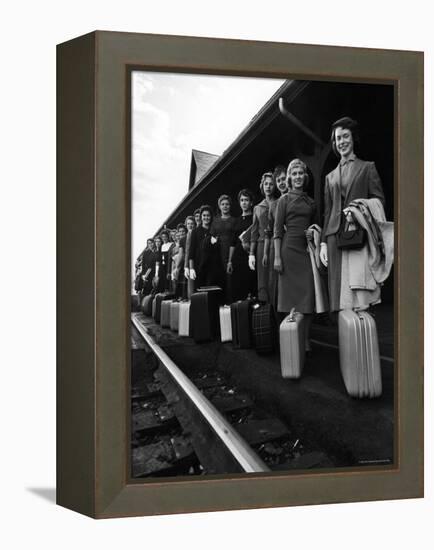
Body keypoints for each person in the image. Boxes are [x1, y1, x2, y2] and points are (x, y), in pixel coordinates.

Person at [319, 117, 385, 311]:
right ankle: (346, 337)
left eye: (345, 136)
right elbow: (327, 212)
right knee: (339, 297)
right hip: (333, 239)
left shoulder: (367, 168)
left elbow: (379, 201)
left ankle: (362, 336)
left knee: (360, 292)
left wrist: (359, 209)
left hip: (358, 235)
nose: (342, 142)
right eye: (338, 138)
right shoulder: (329, 177)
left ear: (353, 138)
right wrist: (323, 242)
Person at [274, 159, 317, 351]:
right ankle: (292, 339)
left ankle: (305, 338)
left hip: (306, 251)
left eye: (301, 173)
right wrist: (277, 257)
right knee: (290, 299)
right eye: (295, 174)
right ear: (290, 177)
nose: (298, 177)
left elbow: (316, 226)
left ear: (304, 176)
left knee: (308, 296)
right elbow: (277, 231)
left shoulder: (310, 201)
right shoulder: (283, 200)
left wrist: (312, 233)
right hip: (288, 250)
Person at [249, 172, 278, 303]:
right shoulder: (257, 208)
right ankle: (265, 314)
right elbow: (254, 232)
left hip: (276, 244)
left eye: (271, 184)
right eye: (266, 184)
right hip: (261, 246)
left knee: (275, 278)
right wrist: (251, 254)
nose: (268, 186)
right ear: (262, 186)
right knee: (263, 280)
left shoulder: (279, 203)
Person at [265, 165, 288, 310]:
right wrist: (267, 253)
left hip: (292, 245)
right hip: (277, 248)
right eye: (278, 180)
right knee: (276, 285)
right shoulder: (273, 205)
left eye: (284, 179)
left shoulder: (296, 198)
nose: (281, 182)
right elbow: (269, 230)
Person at [231, 189, 257, 301]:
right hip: (238, 258)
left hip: (250, 255)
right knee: (239, 288)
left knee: (251, 285)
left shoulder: (254, 218)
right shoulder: (236, 221)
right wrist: (229, 261)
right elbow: (232, 243)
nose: (244, 202)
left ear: (251, 202)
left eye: (246, 200)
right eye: (241, 200)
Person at [188, 205, 224, 289]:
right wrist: (191, 268)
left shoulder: (214, 230)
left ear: (211, 217)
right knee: (200, 292)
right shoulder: (195, 231)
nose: (206, 217)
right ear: (201, 216)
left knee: (211, 290)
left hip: (213, 266)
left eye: (208, 215)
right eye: (204, 215)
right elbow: (191, 251)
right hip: (199, 266)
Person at [210, 194, 237, 303]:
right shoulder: (215, 221)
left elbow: (235, 239)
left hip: (231, 251)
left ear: (230, 206)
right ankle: (219, 304)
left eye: (227, 204)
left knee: (230, 279)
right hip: (218, 252)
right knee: (219, 277)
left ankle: (230, 303)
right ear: (219, 206)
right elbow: (211, 238)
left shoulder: (234, 220)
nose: (225, 206)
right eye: (223, 204)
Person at [170, 225, 186, 296]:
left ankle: (183, 296)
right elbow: (173, 259)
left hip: (184, 263)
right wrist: (174, 268)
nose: (181, 234)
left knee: (183, 282)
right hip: (177, 264)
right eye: (180, 232)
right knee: (176, 280)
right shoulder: (174, 248)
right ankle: (177, 295)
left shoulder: (186, 240)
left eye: (183, 231)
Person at [183, 215, 196, 298]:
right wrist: (186, 266)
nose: (190, 225)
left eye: (192, 223)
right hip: (190, 262)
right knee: (191, 285)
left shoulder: (194, 233)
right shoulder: (188, 235)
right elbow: (187, 252)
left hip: (195, 261)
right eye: (188, 224)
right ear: (186, 225)